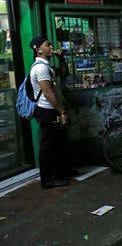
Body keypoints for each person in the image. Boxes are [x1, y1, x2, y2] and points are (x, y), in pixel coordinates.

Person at [29, 36, 71, 189]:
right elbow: (47, 92)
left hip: (52, 109)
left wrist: (62, 58)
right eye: (47, 45)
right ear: (38, 50)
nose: (51, 46)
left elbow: (65, 73)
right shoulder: (41, 68)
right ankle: (47, 180)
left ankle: (61, 172)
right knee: (48, 145)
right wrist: (62, 111)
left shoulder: (48, 65)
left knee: (58, 142)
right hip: (47, 110)